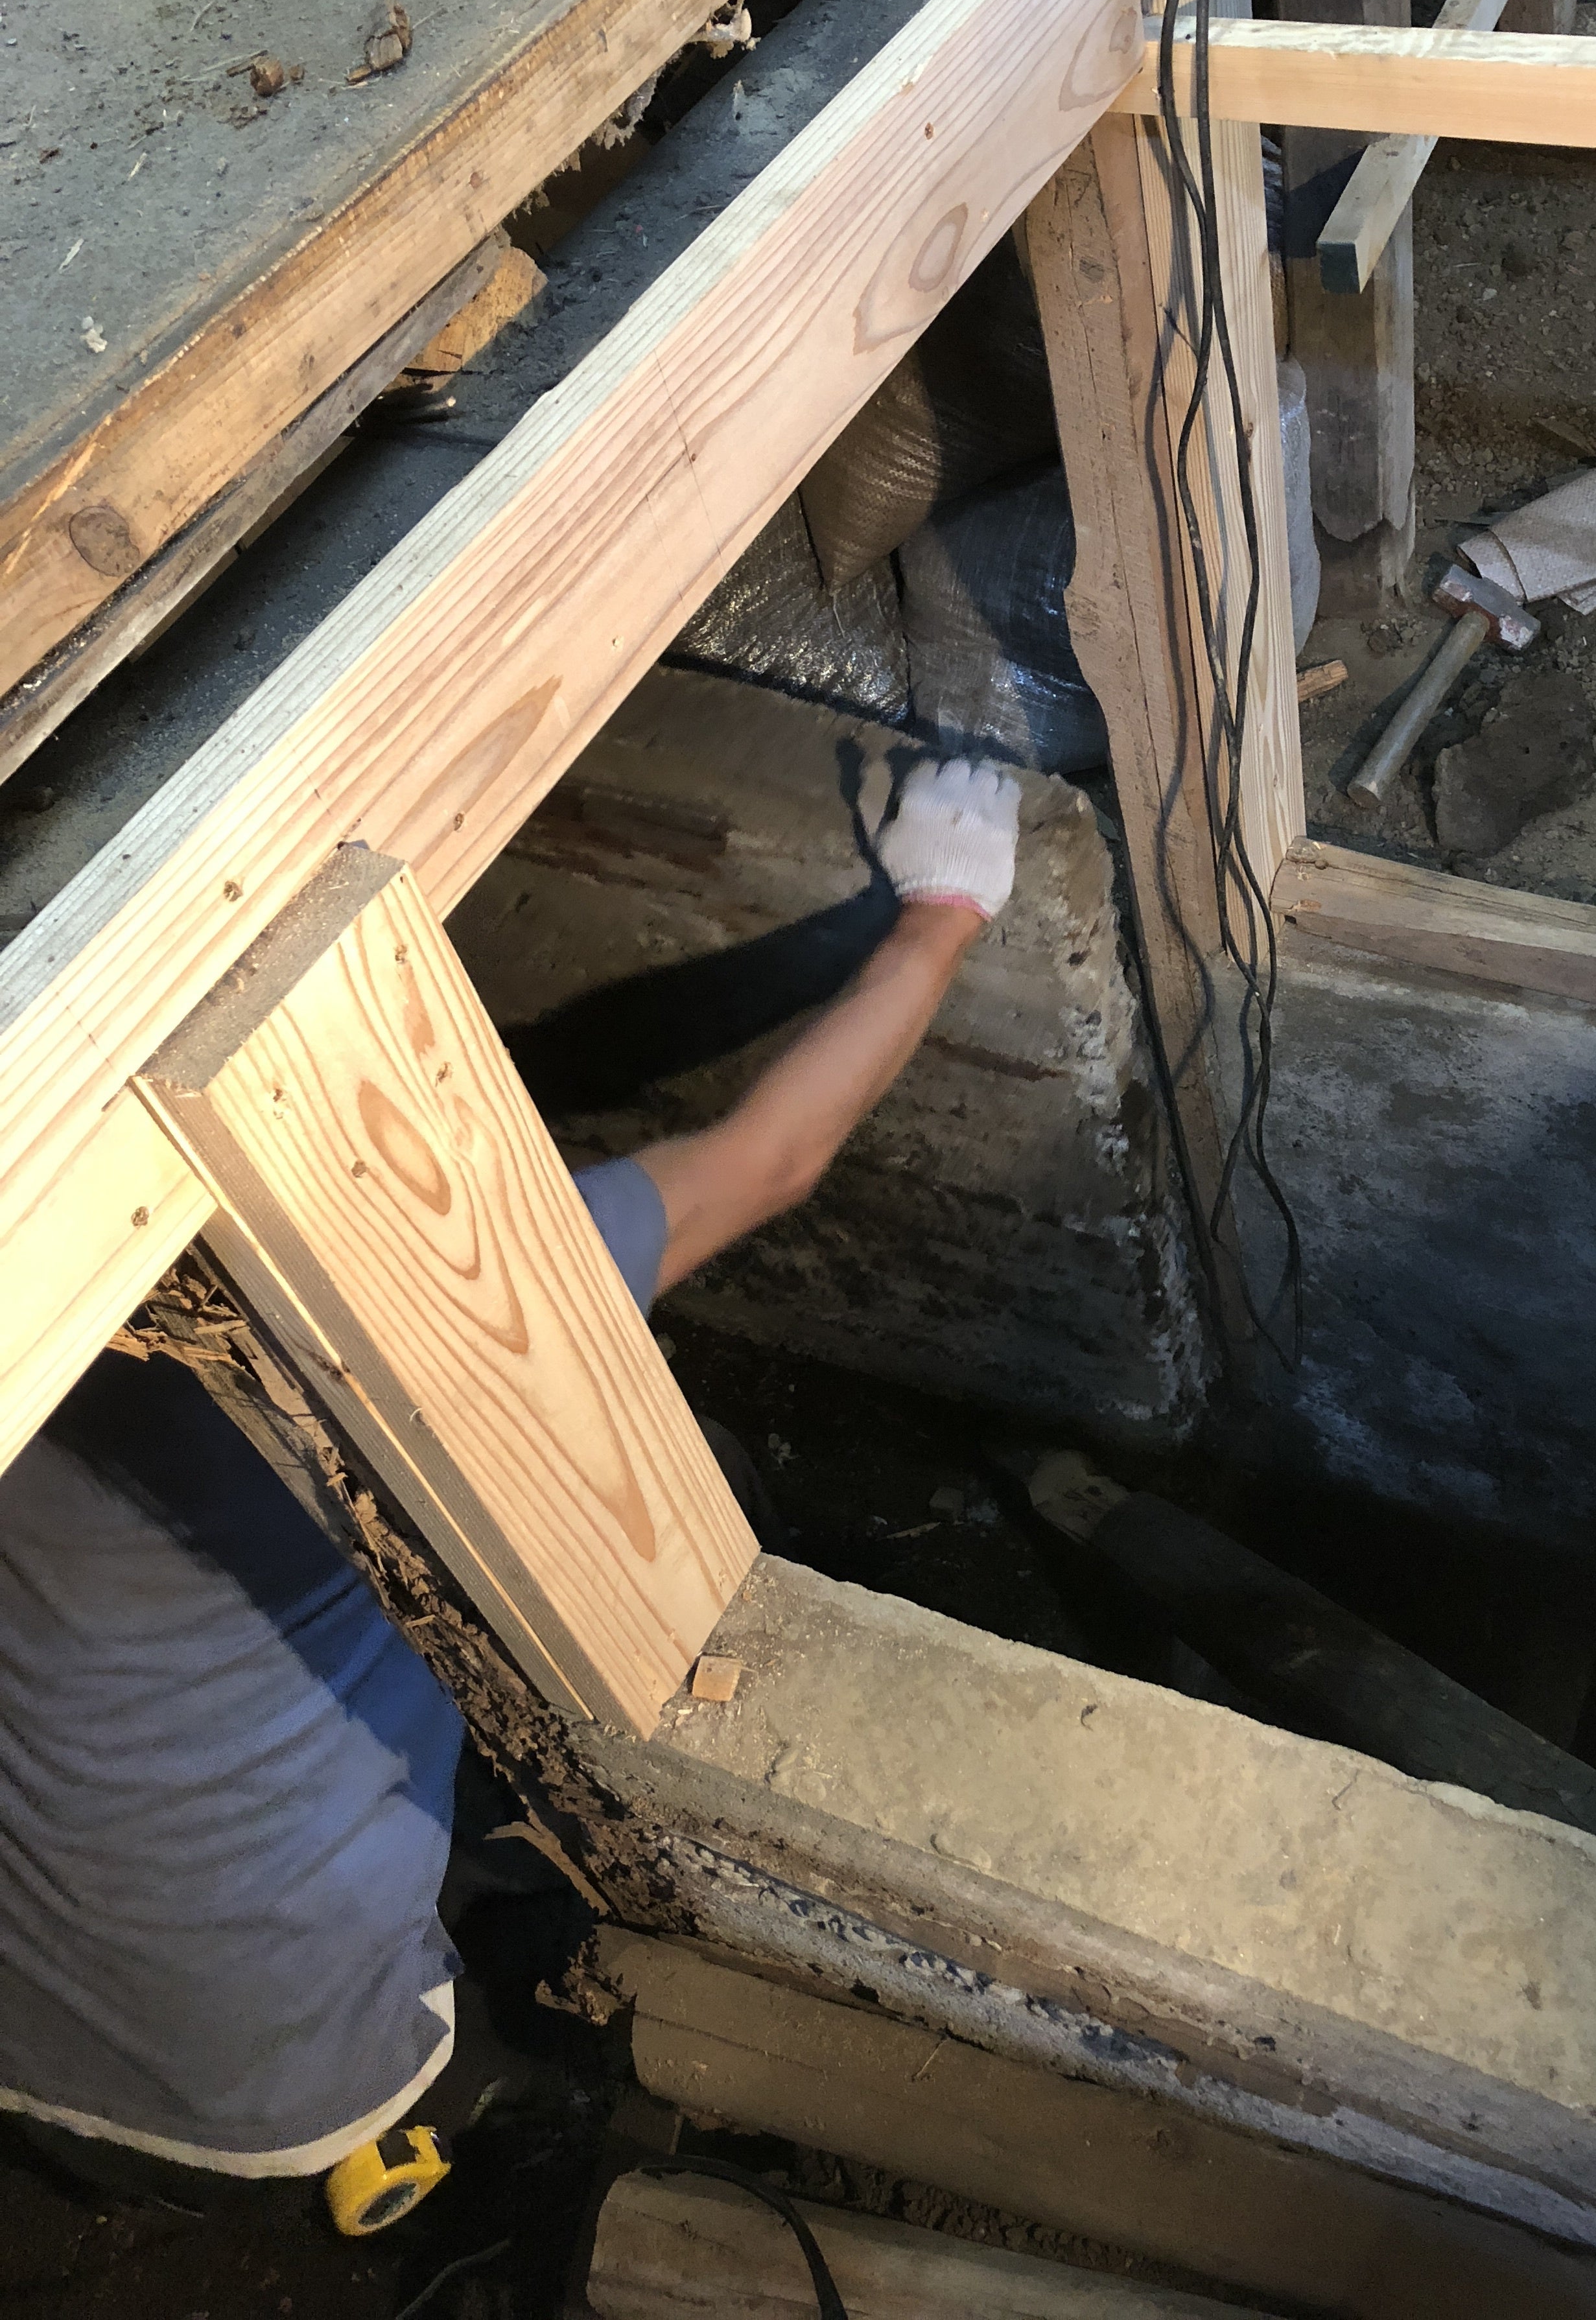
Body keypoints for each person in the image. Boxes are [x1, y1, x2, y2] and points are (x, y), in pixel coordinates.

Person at [0, 756, 1020, 2219]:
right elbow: (770, 1159)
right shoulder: (382, 1315)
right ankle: (472, 2117)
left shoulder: (37, 1334)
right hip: (291, 2093)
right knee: (678, 1485)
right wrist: (946, 908)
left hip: (29, 2046)